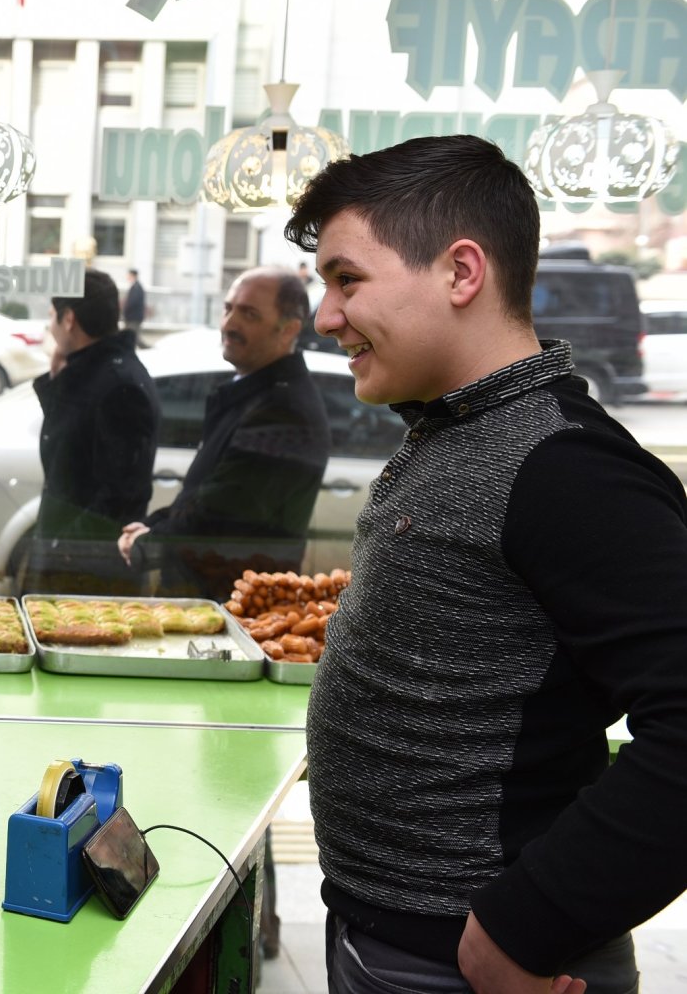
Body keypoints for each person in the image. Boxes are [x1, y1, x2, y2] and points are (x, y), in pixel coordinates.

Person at [286, 134, 687, 994]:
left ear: (461, 273)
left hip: (473, 964)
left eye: (347, 279)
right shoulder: (459, 430)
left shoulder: (566, 468)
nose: (325, 316)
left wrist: (525, 926)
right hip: (392, 938)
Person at [116, 266, 330, 600]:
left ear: (289, 329)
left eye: (249, 314)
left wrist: (148, 542)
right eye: (228, 308)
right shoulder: (253, 392)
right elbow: (202, 496)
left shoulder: (283, 409)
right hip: (210, 597)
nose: (229, 324)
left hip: (231, 605)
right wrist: (153, 526)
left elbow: (220, 515)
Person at [19, 269, 160, 595]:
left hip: (87, 572)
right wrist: (58, 376)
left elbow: (119, 493)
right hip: (71, 560)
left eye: (52, 316)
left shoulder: (118, 384)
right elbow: (69, 445)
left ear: (69, 319)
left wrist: (63, 548)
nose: (50, 327)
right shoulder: (92, 371)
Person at [121, 267, 147, 343]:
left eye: (129, 275)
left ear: (133, 276)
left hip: (133, 317)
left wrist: (125, 309)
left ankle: (150, 348)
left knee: (132, 338)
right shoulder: (135, 286)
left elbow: (132, 302)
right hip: (132, 317)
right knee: (133, 338)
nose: (127, 277)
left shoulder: (137, 287)